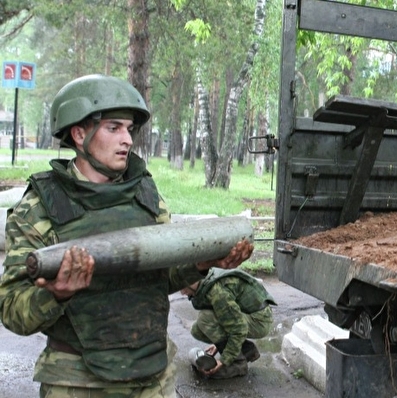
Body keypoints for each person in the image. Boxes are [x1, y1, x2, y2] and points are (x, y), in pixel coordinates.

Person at [0, 74, 253, 397]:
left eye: (129, 129)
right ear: (79, 133)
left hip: (153, 377)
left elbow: (160, 277)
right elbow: (11, 311)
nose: (128, 140)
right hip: (78, 382)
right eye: (113, 127)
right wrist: (56, 294)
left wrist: (201, 263)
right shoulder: (39, 209)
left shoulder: (146, 195)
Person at [182, 267, 276, 379]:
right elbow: (226, 316)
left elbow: (239, 330)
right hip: (246, 314)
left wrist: (224, 360)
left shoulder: (217, 292)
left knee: (205, 318)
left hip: (259, 320)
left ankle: (238, 365)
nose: (182, 293)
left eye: (182, 288)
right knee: (197, 330)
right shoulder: (205, 281)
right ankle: (247, 350)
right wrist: (219, 344)